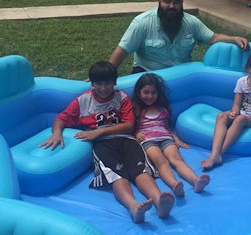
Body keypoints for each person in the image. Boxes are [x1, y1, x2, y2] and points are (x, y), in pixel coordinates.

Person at [39, 61, 175, 224]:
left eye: (107, 83)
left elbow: (129, 125)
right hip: (102, 145)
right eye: (99, 84)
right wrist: (56, 133)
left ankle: (159, 200)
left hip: (127, 140)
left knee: (141, 171)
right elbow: (62, 118)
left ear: (114, 82)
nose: (103, 88)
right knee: (117, 176)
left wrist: (101, 130)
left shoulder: (121, 98)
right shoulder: (83, 101)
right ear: (92, 83)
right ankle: (133, 206)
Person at [109, 0, 249, 73]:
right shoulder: (142, 23)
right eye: (167, 1)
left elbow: (213, 37)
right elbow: (122, 51)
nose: (171, 6)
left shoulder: (191, 22)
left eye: (176, 2)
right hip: (148, 74)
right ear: (159, 2)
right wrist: (104, 76)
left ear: (181, 3)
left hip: (180, 75)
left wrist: (235, 38)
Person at [132, 73, 210, 197]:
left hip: (165, 138)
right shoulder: (136, 110)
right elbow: (131, 127)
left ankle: (195, 181)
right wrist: (136, 134)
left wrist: (175, 138)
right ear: (138, 93)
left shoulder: (163, 109)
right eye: (146, 92)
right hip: (148, 140)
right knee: (161, 162)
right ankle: (174, 184)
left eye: (154, 92)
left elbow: (166, 127)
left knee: (177, 159)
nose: (150, 96)